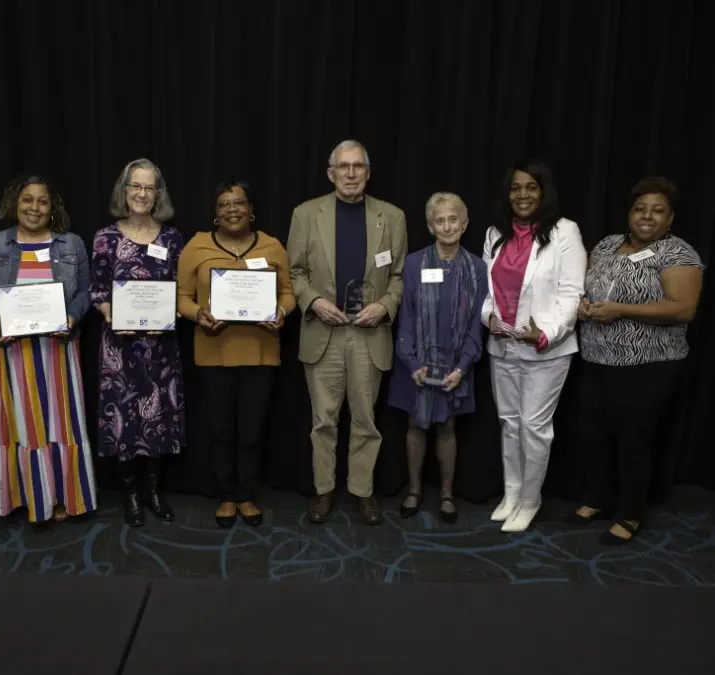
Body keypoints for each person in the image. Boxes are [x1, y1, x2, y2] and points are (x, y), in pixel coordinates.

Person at [570, 177, 704, 544]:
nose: (647, 216)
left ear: (670, 219)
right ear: (629, 213)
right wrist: (582, 305)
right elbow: (584, 287)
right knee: (594, 434)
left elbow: (684, 309)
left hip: (647, 364)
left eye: (657, 211)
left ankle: (629, 514)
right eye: (640, 209)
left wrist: (621, 310)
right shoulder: (607, 245)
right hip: (596, 358)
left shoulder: (678, 253)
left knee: (633, 442)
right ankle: (597, 497)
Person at [287, 140, 408, 526]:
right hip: (324, 331)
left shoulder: (392, 217)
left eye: (358, 167)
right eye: (344, 167)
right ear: (331, 173)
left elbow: (399, 276)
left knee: (366, 421)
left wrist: (385, 306)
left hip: (369, 334)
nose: (351, 174)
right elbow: (295, 272)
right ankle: (324, 489)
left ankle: (362, 490)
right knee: (323, 421)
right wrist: (314, 301)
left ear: (368, 173)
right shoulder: (306, 214)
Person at [0, 174, 97, 526]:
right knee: (19, 426)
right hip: (9, 352)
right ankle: (25, 497)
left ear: (52, 207)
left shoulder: (72, 244)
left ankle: (63, 498)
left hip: (58, 350)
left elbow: (86, 292)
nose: (35, 207)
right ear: (15, 203)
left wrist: (72, 317)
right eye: (28, 199)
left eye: (43, 201)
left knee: (62, 425)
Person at [177, 181, 296, 528]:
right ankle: (226, 494)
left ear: (251, 209)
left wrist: (282, 311)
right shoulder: (197, 246)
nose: (232, 210)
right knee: (220, 429)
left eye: (239, 203)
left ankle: (246, 493)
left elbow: (288, 293)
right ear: (216, 213)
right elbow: (181, 296)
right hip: (214, 352)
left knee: (252, 430)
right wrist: (197, 314)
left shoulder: (272, 246)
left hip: (261, 352)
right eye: (224, 204)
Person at [481, 159, 586, 532]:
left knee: (533, 426)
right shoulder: (495, 234)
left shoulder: (564, 231)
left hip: (546, 350)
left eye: (531, 187)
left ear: (543, 192)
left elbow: (572, 292)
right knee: (509, 423)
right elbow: (487, 291)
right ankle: (511, 494)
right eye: (515, 187)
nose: (522, 194)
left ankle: (529, 500)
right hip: (503, 346)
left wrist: (545, 333)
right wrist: (488, 318)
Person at [90, 158, 185, 528]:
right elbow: (97, 288)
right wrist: (110, 313)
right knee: (124, 420)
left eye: (149, 187)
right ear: (124, 190)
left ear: (158, 194)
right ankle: (130, 493)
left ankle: (154, 490)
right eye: (136, 186)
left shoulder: (172, 239)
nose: (142, 194)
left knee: (158, 417)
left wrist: (172, 314)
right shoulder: (105, 237)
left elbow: (182, 289)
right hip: (121, 348)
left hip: (161, 348)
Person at [388, 193, 487, 523]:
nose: (447, 226)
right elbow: (406, 316)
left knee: (447, 426)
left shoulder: (477, 268)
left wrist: (463, 367)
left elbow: (476, 325)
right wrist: (411, 362)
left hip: (456, 364)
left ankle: (446, 493)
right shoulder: (414, 263)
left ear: (464, 224)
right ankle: (414, 489)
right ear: (430, 227)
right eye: (439, 221)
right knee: (415, 424)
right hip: (415, 362)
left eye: (452, 219)